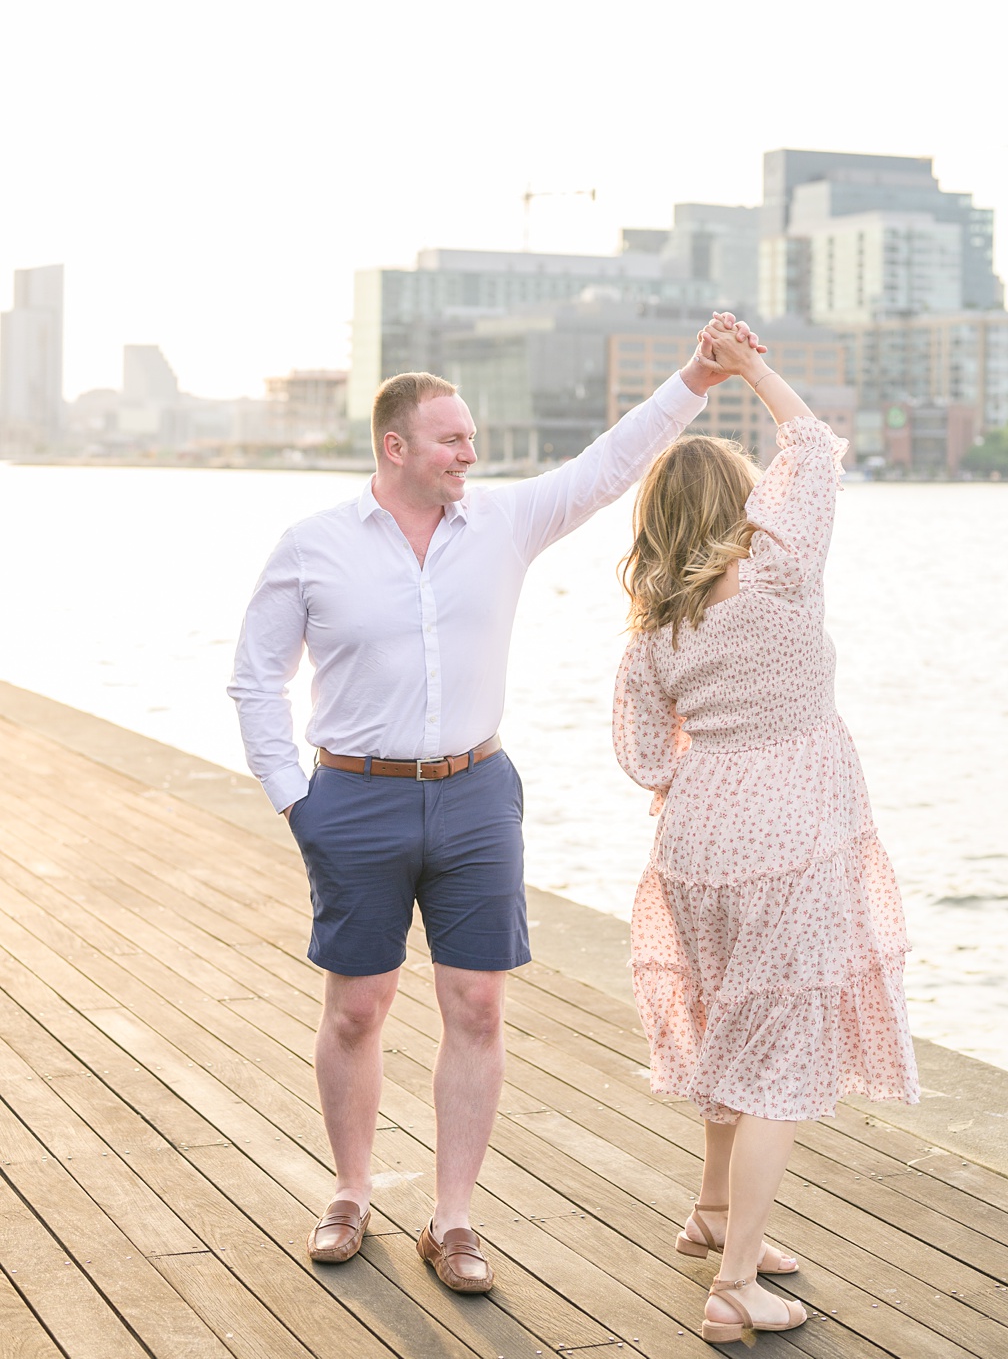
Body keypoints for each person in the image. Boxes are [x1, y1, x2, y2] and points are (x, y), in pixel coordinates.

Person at [228, 314, 756, 1291]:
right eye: (451, 438)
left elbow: (607, 465)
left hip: (475, 793)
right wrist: (297, 802)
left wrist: (695, 376)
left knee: (475, 1003)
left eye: (470, 438)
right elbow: (257, 679)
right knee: (357, 1008)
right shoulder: (313, 546)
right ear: (396, 447)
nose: (471, 452)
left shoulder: (505, 523)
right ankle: (350, 1191)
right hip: (354, 795)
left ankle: (455, 1218)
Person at [612, 322, 917, 1343]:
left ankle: (711, 1211)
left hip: (699, 838)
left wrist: (696, 769)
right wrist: (748, 369)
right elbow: (814, 447)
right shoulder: (780, 568)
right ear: (738, 505)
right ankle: (737, 1281)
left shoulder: (655, 626)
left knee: (726, 1023)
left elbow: (644, 755)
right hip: (791, 829)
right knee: (778, 1052)